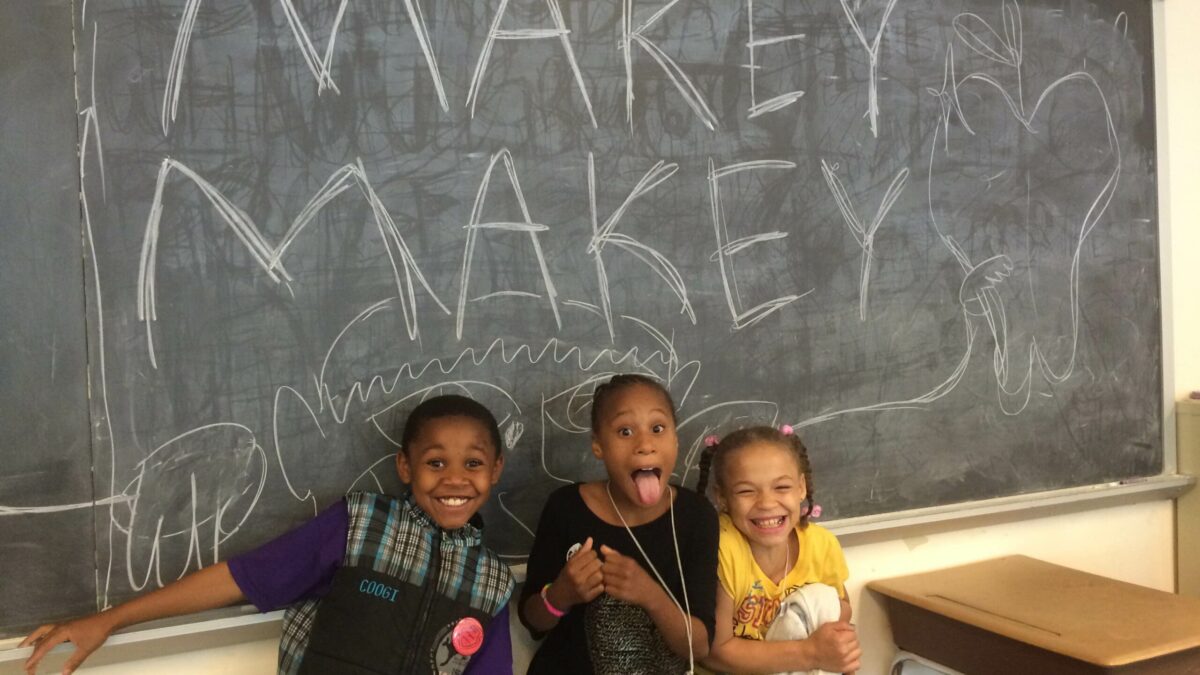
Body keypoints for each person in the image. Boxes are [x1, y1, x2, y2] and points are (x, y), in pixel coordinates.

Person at [21, 394, 515, 675]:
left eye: (472, 463)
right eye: (435, 463)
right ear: (405, 467)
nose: (454, 480)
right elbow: (241, 577)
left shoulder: (492, 583)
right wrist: (110, 620)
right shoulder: (359, 526)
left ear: (495, 469)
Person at [519, 373, 719, 674]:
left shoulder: (696, 516)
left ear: (676, 439)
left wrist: (650, 595)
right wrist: (560, 594)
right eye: (625, 431)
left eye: (658, 428)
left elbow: (698, 647)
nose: (645, 444)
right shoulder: (566, 508)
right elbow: (532, 619)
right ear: (598, 446)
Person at [695, 425, 860, 675]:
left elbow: (841, 613)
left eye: (781, 487)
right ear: (722, 497)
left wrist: (836, 645)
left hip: (795, 667)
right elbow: (716, 652)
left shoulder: (821, 545)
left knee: (822, 597)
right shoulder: (721, 547)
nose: (767, 503)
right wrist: (811, 652)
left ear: (801, 487)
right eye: (746, 491)